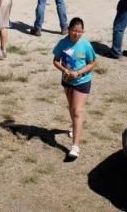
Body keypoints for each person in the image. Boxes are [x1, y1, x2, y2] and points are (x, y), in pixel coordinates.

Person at [52, 17, 96, 161]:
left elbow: (92, 62)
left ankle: (75, 147)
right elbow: (55, 60)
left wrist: (79, 72)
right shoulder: (63, 43)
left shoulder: (86, 45)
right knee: (71, 108)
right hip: (67, 81)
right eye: (74, 31)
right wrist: (64, 70)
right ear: (69, 30)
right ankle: (73, 126)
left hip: (82, 81)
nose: (77, 34)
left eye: (79, 31)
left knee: (77, 111)